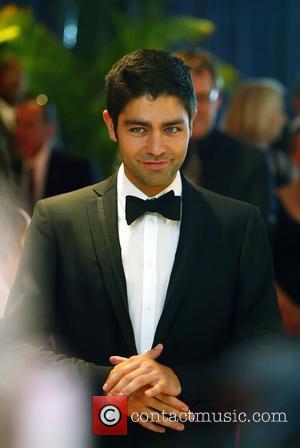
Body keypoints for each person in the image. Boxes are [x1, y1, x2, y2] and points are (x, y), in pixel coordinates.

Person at [3, 49, 285, 447]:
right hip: (88, 436)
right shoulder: (57, 219)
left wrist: (180, 379)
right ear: (111, 125)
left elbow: (265, 358)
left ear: (194, 122)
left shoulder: (238, 225)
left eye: (172, 129)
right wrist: (112, 383)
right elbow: (17, 347)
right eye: (138, 129)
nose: (156, 148)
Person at [176, 49, 273, 229]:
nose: (194, 110)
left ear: (218, 98)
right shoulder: (150, 154)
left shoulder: (251, 161)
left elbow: (258, 236)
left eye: (203, 98)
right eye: (185, 97)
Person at [15, 98, 100, 214]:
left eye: (29, 125)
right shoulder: (11, 168)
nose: (20, 132)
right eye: (18, 124)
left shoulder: (76, 169)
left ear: (49, 130)